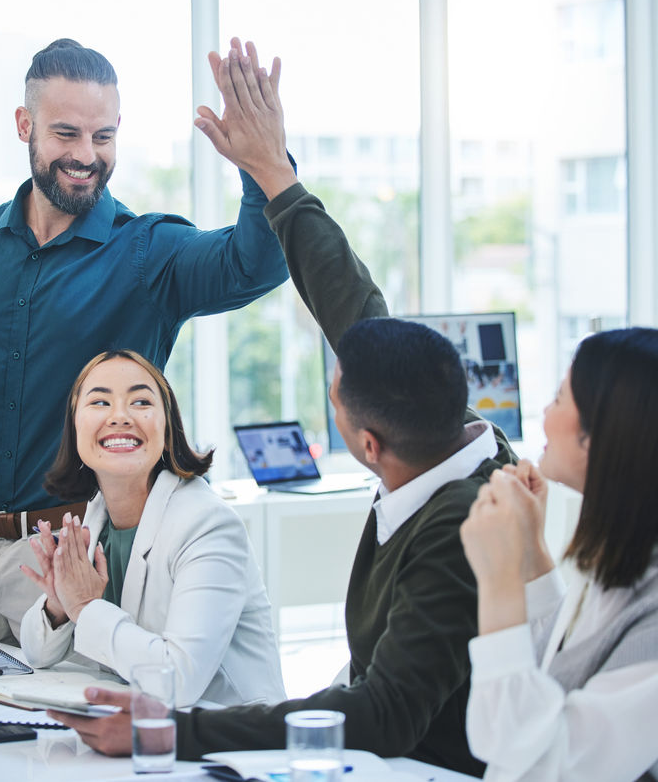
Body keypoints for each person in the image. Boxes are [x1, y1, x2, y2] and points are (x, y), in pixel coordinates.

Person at [47, 41, 512, 776]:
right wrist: (272, 172)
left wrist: (175, 728)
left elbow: (384, 713)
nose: (117, 416)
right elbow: (354, 308)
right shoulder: (440, 433)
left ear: (364, 442)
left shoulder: (460, 525)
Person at [0, 37, 291, 643]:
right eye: (66, 134)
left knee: (55, 732)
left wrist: (264, 164)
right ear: (25, 125)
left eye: (103, 137)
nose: (85, 156)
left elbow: (255, 264)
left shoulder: (148, 252)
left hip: (66, 554)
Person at [459, 328, 658, 781]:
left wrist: (498, 581)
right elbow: (558, 674)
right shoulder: (635, 549)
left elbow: (534, 759)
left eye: (559, 398)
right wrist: (531, 554)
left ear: (600, 437)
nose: (544, 412)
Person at [17, 350, 285, 708]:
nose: (120, 417)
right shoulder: (97, 514)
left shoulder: (208, 525)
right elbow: (36, 654)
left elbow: (178, 681)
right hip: (140, 729)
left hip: (227, 738)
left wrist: (82, 605)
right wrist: (58, 604)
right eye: (100, 402)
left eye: (141, 401)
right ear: (75, 426)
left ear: (168, 425)